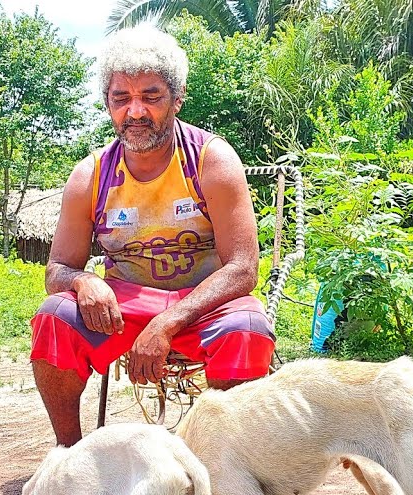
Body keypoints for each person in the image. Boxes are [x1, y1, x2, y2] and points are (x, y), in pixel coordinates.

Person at [29, 26, 275, 446]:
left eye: (151, 96)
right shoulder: (91, 175)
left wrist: (167, 322)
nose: (136, 111)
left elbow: (243, 269)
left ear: (177, 99)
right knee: (55, 318)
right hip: (126, 305)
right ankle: (68, 455)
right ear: (108, 104)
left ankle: (227, 460)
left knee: (248, 329)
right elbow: (58, 269)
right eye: (121, 98)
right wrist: (85, 281)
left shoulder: (210, 160)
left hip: (206, 301)